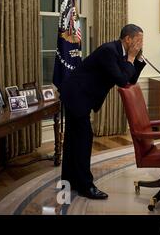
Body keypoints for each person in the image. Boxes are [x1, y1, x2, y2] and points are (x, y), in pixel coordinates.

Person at [60, 24, 146, 200]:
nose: (140, 43)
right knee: (83, 140)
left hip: (81, 96)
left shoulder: (122, 53)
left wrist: (136, 59)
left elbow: (131, 78)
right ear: (128, 39)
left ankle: (69, 182)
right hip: (76, 95)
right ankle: (86, 186)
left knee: (74, 140)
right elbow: (122, 80)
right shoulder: (109, 51)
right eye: (138, 40)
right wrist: (130, 57)